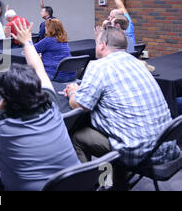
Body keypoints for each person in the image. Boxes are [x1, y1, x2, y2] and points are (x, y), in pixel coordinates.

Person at [64, 27, 180, 190]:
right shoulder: (138, 63)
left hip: (140, 152)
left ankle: (96, 185)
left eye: (97, 43)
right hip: (165, 147)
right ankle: (115, 183)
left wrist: (73, 92)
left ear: (102, 45)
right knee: (114, 129)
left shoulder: (98, 66)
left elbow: (79, 105)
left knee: (78, 136)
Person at [0, 19, 80, 191]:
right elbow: (38, 67)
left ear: (5, 96)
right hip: (74, 184)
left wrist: (4, 100)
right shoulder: (51, 105)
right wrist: (27, 42)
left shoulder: (0, 122)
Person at [35, 18, 77, 82]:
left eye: (46, 26)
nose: (45, 28)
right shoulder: (64, 40)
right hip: (72, 75)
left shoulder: (48, 40)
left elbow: (32, 49)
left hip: (56, 75)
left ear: (49, 28)